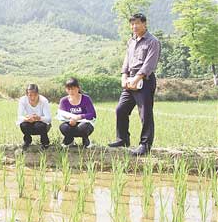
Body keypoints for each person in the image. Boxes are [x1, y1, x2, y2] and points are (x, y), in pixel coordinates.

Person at [108, 13, 161, 156]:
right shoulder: (131, 41)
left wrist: (137, 79)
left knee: (145, 114)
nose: (134, 27)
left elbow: (149, 64)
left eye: (137, 23)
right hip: (130, 80)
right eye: (132, 24)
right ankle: (122, 139)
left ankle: (145, 145)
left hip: (145, 81)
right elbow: (127, 60)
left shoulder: (152, 41)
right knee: (121, 109)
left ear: (145, 24)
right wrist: (123, 77)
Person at [57, 78, 97, 148]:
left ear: (78, 88)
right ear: (66, 89)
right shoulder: (63, 100)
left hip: (84, 123)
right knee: (63, 127)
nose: (71, 91)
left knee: (83, 127)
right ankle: (69, 140)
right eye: (69, 89)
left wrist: (79, 117)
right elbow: (61, 114)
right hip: (70, 122)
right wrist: (69, 118)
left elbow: (92, 114)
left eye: (73, 89)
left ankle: (86, 140)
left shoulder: (86, 99)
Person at [16, 84, 51, 150]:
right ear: (26, 95)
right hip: (29, 122)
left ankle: (45, 142)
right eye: (30, 95)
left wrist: (39, 118)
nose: (32, 98)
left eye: (35, 95)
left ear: (38, 94)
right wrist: (26, 119)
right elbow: (19, 117)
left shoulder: (44, 101)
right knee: (23, 125)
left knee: (39, 125)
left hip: (41, 123)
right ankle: (27, 141)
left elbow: (49, 119)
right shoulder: (23, 100)